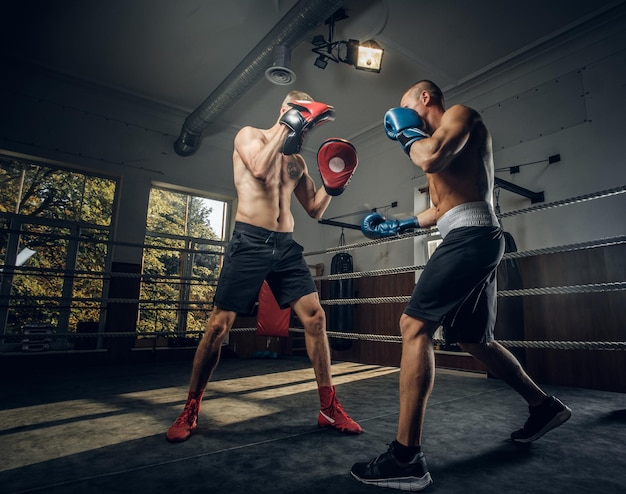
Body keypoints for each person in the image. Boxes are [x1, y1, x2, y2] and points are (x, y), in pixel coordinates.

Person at [351, 80, 571, 491]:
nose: (400, 115)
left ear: (424, 99)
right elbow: (438, 208)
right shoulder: (439, 142)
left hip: (472, 235)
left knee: (413, 326)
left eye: (404, 106)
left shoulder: (459, 116)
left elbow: (429, 157)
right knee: (474, 339)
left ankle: (406, 458)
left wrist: (404, 131)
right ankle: (543, 407)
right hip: (469, 234)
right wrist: (397, 225)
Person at [166, 90, 362, 443]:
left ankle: (328, 408)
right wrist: (288, 127)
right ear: (288, 111)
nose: (307, 128)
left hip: (285, 246)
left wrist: (335, 185)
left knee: (316, 318)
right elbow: (257, 168)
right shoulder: (249, 135)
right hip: (250, 241)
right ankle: (191, 408)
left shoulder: (297, 163)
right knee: (218, 326)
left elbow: (315, 210)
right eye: (303, 118)